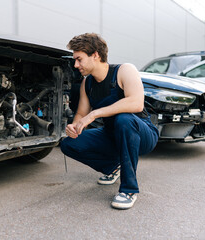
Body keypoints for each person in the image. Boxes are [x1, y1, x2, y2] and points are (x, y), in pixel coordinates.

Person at [60, 33, 159, 210]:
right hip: (111, 133)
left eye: (79, 59)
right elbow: (82, 113)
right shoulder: (87, 83)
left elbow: (136, 103)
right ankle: (113, 167)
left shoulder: (124, 70)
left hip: (142, 132)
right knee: (69, 144)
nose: (76, 65)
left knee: (124, 119)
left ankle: (129, 190)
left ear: (95, 55)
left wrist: (94, 114)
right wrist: (75, 127)